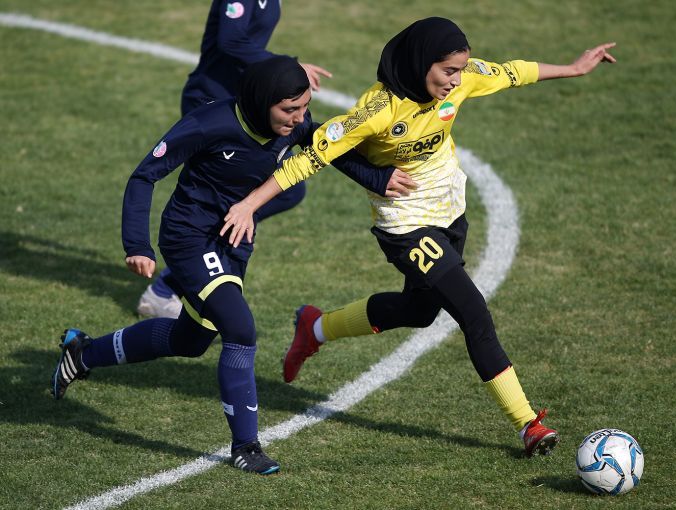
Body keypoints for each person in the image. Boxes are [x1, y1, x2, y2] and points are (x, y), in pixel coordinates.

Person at [220, 18, 616, 457]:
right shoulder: (378, 109)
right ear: (421, 62)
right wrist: (250, 204)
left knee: (420, 310)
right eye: (448, 71)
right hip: (405, 225)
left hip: (449, 208)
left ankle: (314, 327)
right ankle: (528, 424)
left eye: (460, 70)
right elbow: (310, 157)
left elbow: (512, 72)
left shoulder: (463, 79)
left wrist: (574, 68)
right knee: (472, 310)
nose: (456, 80)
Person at [50, 56, 415, 474]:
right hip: (189, 237)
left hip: (233, 243)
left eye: (303, 108)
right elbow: (144, 175)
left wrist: (377, 178)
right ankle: (246, 447)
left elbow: (324, 146)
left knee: (190, 340)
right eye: (289, 110)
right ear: (261, 102)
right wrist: (138, 245)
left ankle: (83, 353)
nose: (299, 119)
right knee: (240, 328)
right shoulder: (209, 124)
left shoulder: (291, 124)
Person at [138, 0, 334, 318]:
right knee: (226, 201)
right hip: (214, 103)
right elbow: (230, 40)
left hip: (250, 108)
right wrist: (288, 66)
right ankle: (166, 287)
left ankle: (182, 277)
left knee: (284, 191)